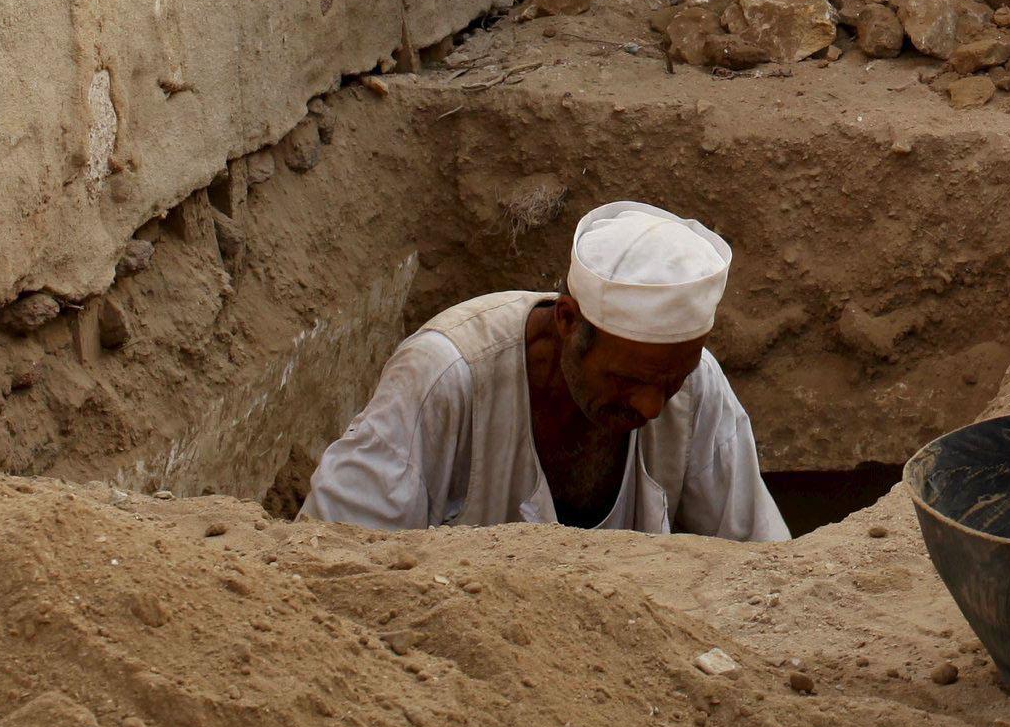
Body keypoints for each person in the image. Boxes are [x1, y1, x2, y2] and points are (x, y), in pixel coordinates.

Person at [302, 199, 788, 539]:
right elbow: (333, 552)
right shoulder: (446, 374)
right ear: (569, 322)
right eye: (628, 380)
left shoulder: (697, 383)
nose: (652, 406)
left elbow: (758, 560)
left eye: (672, 382)